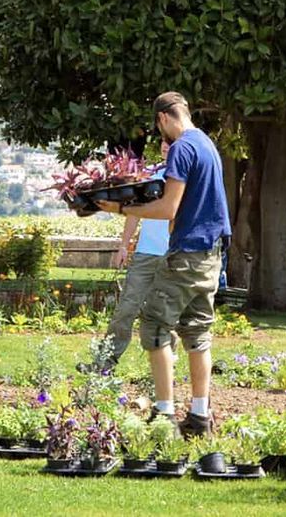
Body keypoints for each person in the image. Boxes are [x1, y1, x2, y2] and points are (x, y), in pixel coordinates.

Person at [96, 91, 230, 437]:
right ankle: (200, 417)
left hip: (185, 256)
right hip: (210, 256)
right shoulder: (208, 145)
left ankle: (164, 416)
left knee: (155, 327)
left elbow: (168, 208)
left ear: (163, 119)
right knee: (199, 333)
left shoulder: (183, 148)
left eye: (159, 130)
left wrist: (122, 209)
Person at [102, 142, 174, 369]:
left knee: (166, 314)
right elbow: (134, 213)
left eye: (171, 143)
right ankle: (105, 362)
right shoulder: (150, 174)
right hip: (145, 254)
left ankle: (165, 369)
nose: (165, 146)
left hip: (174, 255)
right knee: (126, 309)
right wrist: (124, 245)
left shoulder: (187, 177)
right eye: (163, 142)